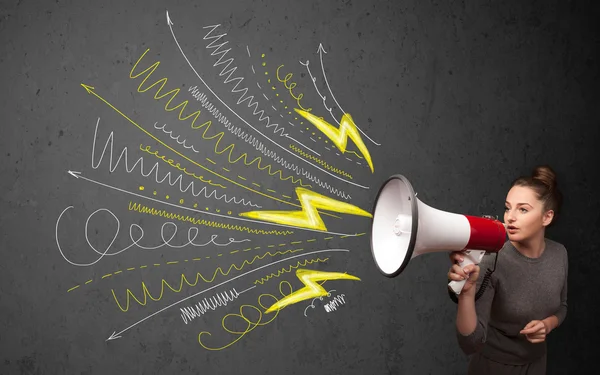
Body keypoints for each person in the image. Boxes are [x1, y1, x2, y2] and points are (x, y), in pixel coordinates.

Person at [447, 165, 568, 374]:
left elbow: (562, 307)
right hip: (493, 367)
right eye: (507, 207)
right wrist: (466, 294)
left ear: (547, 217)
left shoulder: (560, 254)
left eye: (522, 209)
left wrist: (548, 324)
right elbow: (471, 343)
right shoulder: (492, 260)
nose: (510, 217)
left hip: (537, 364)